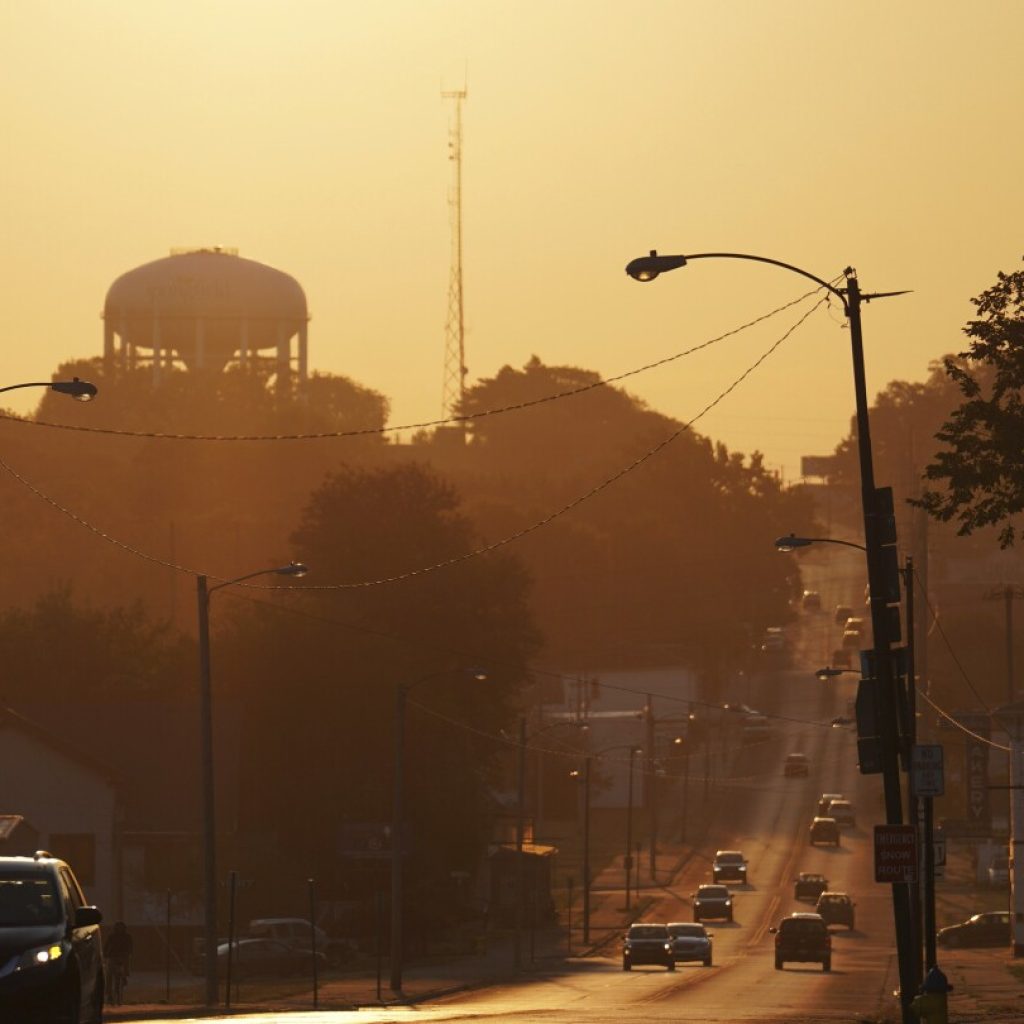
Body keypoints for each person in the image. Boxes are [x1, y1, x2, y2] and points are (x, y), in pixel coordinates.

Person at [105, 921, 133, 1005]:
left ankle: (124, 976)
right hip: (113, 956)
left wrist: (128, 953)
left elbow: (130, 947)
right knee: (109, 975)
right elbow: (106, 946)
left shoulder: (127, 937)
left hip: (123, 956)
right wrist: (105, 954)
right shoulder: (112, 936)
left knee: (124, 966)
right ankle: (109, 993)